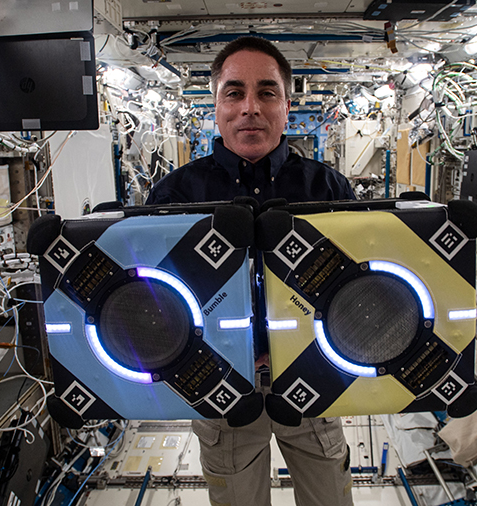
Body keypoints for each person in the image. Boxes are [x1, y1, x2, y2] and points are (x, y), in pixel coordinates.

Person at [145, 37, 355, 506]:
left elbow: (360, 291)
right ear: (215, 105)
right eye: (234, 92)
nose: (250, 108)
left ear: (286, 104)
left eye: (267, 92)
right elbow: (154, 300)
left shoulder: (328, 188)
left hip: (313, 376)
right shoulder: (175, 195)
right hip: (220, 384)